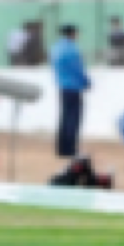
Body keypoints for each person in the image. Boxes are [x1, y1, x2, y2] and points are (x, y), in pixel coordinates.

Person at [51, 24, 90, 158]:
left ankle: (61, 148)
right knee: (73, 119)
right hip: (74, 87)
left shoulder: (55, 48)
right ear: (72, 34)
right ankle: (70, 149)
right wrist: (86, 82)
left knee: (64, 118)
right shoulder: (73, 50)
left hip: (62, 86)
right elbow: (78, 69)